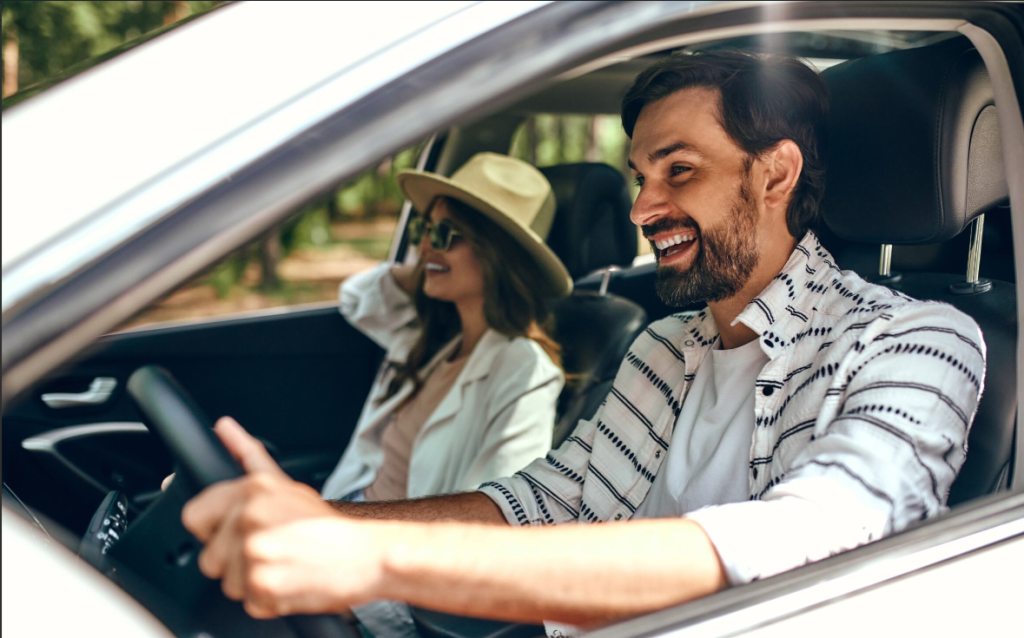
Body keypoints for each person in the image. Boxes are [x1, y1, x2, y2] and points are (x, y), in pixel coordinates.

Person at [181, 50, 985, 636]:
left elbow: (801, 545)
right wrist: (331, 528)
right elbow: (538, 505)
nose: (643, 208)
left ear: (774, 176)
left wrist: (378, 563)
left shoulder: (919, 343)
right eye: (641, 176)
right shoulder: (666, 349)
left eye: (678, 171)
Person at [320, 152, 571, 506]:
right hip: (345, 504)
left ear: (497, 253)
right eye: (423, 229)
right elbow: (354, 297)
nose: (422, 246)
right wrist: (430, 265)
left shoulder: (525, 372)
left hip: (390, 544)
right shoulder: (431, 337)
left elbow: (497, 514)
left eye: (444, 234)